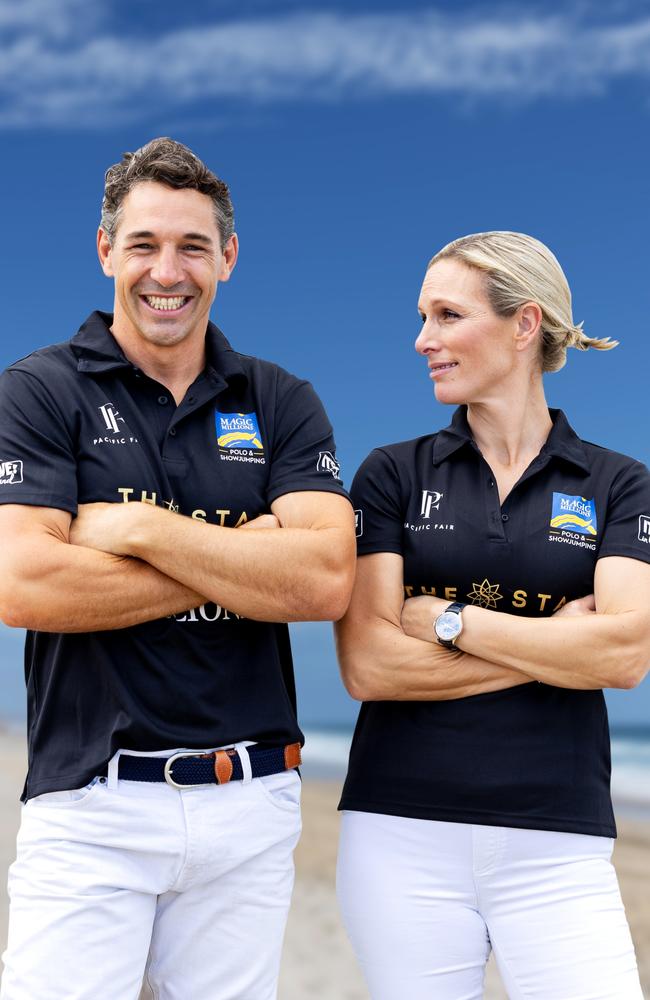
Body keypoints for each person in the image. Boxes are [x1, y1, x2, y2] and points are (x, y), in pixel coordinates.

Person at [0, 137, 355, 1000]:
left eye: (194, 247)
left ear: (227, 258)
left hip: (251, 802)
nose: (170, 271)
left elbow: (323, 581)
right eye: (145, 244)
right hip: (92, 805)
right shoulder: (41, 392)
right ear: (105, 251)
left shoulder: (280, 400)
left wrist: (139, 529)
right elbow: (26, 584)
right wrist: (248, 551)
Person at [335, 231, 650, 1000]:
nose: (423, 340)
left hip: (560, 838)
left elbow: (623, 656)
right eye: (422, 317)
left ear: (523, 323)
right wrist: (557, 645)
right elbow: (368, 666)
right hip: (398, 832)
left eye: (447, 316)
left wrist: (447, 620)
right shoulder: (390, 474)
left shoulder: (619, 484)